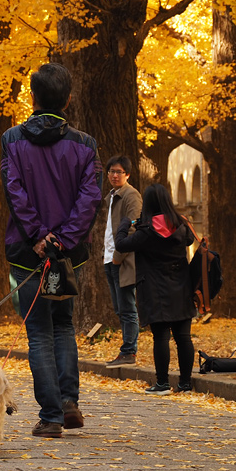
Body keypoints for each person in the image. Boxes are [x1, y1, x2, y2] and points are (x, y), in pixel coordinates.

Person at [1, 63, 102, 438]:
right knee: (63, 325)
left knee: (39, 331)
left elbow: (14, 191)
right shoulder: (85, 145)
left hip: (27, 252)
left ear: (33, 97)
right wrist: (64, 238)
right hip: (68, 255)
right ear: (69, 99)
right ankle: (68, 400)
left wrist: (39, 236)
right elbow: (89, 198)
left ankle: (52, 414)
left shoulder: (12, 140)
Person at [115, 184, 196, 395]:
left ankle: (162, 383)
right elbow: (189, 240)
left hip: (155, 289)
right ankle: (185, 383)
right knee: (183, 336)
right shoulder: (181, 226)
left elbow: (121, 244)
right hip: (181, 286)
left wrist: (125, 224)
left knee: (161, 337)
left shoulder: (147, 232)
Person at [102, 155, 142, 368]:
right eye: (111, 171)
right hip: (109, 258)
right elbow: (110, 228)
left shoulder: (131, 195)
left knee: (127, 307)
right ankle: (127, 349)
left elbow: (133, 228)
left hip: (123, 260)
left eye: (118, 172)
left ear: (127, 174)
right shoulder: (111, 196)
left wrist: (118, 256)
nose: (114, 175)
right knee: (119, 307)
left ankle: (129, 352)